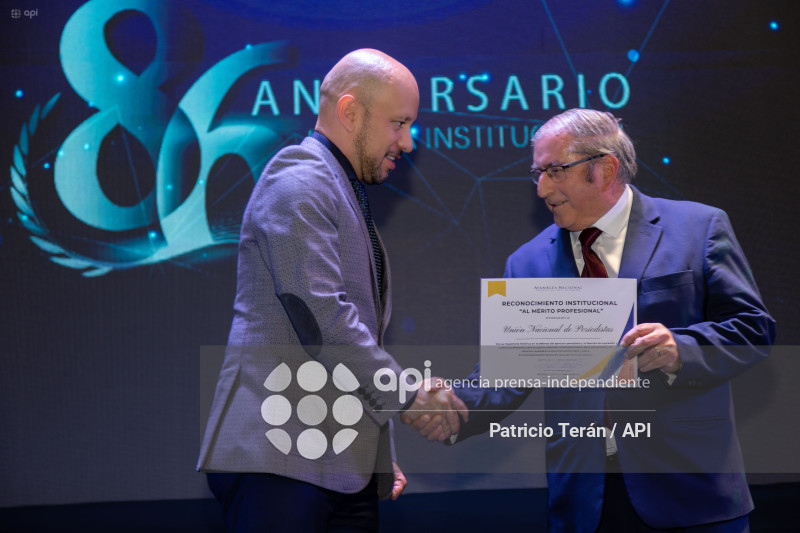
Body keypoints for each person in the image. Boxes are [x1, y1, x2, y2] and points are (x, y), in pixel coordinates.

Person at [408, 108, 775, 532]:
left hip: (690, 490)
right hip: (585, 503)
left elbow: (753, 328)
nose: (542, 188)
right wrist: (453, 406)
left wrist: (682, 350)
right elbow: (503, 377)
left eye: (555, 171)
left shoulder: (699, 227)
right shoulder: (527, 263)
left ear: (604, 168)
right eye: (538, 173)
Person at [197, 49, 467, 532]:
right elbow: (321, 318)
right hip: (279, 459)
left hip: (332, 464)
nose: (407, 142)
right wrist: (408, 395)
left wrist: (369, 454)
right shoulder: (299, 179)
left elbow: (340, 349)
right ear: (349, 112)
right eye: (399, 123)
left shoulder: (338, 188)